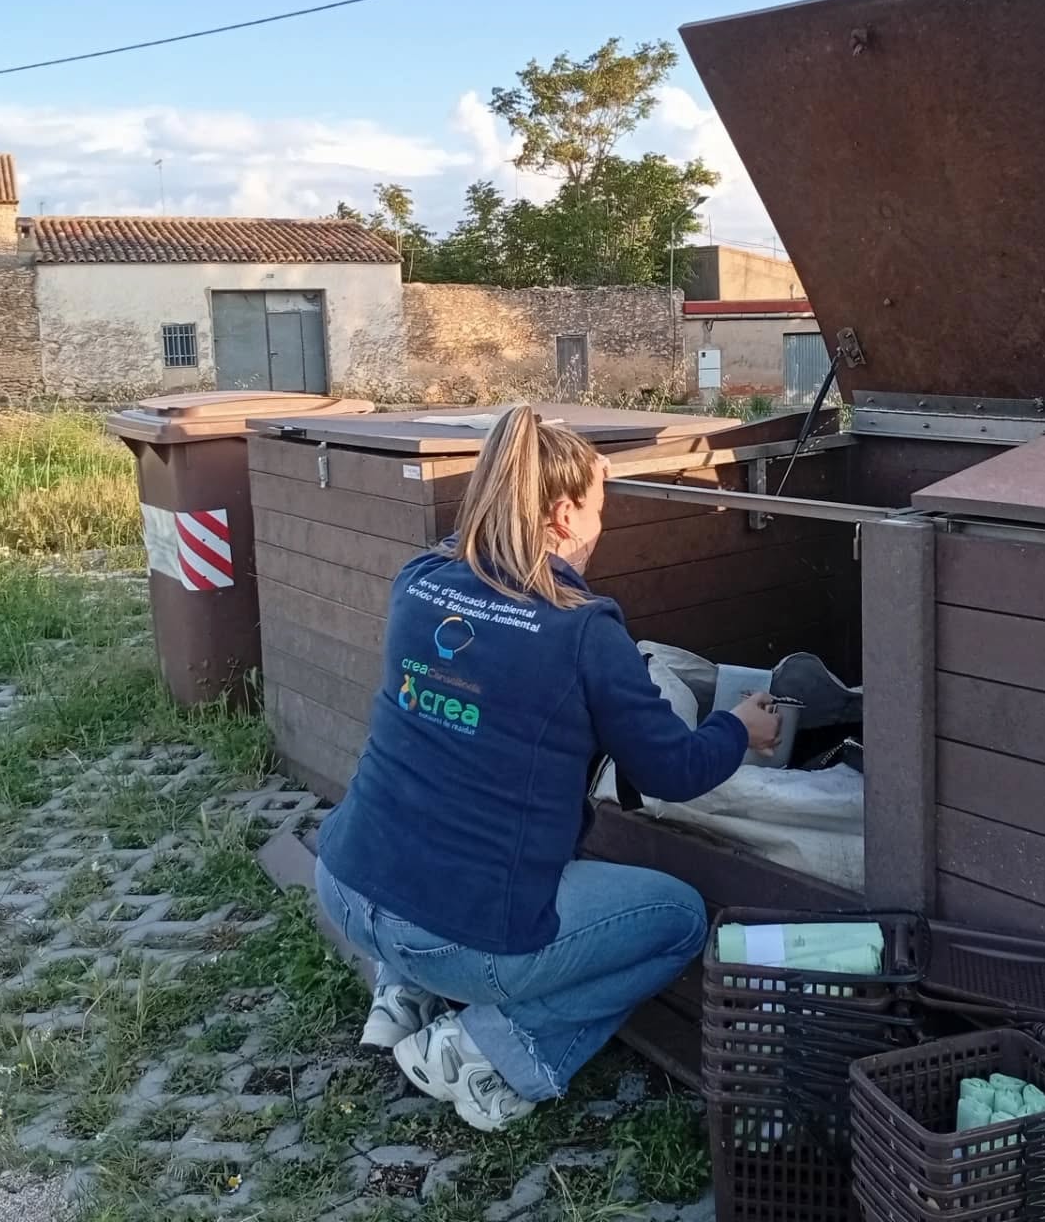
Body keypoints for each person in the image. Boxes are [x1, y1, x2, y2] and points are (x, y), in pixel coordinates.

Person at [315, 405, 781, 1133]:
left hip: (345, 886)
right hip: (454, 936)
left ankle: (400, 995)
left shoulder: (421, 580)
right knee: (680, 920)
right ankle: (479, 1046)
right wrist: (737, 726)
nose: (601, 529)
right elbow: (672, 771)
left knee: (441, 808)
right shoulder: (583, 628)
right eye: (598, 509)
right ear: (563, 514)